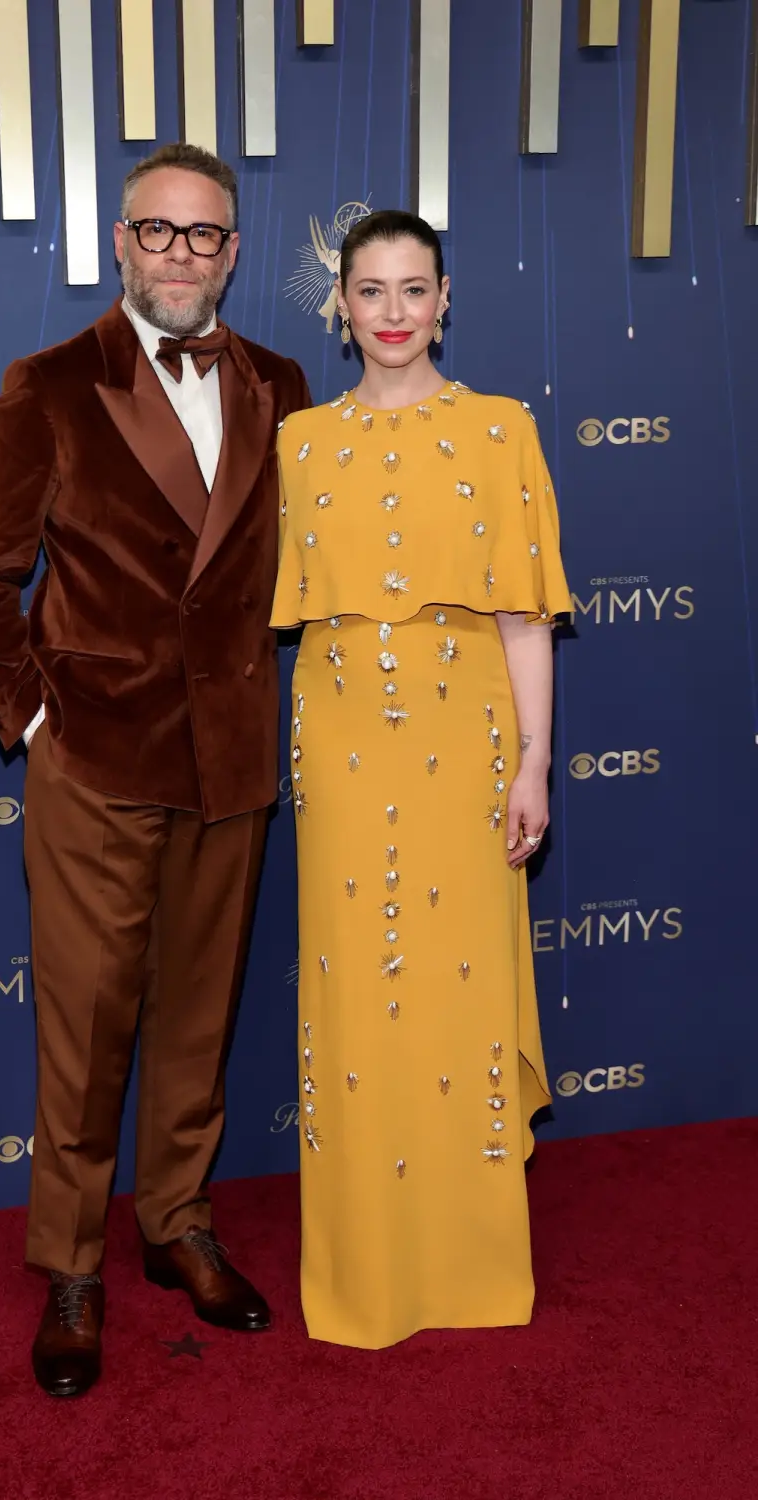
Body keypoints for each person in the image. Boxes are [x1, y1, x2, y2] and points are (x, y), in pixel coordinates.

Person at [0, 143, 311, 1397]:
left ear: (232, 253)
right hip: (97, 757)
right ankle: (72, 1267)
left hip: (232, 762)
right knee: (87, 1027)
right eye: (157, 233)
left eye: (204, 236)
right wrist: (38, 725)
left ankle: (178, 1223)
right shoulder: (49, 385)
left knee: (199, 1015)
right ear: (120, 242)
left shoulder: (279, 381)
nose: (180, 257)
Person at [271, 209, 571, 1350]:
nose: (393, 314)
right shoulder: (298, 442)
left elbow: (524, 618)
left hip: (468, 730)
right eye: (370, 291)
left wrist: (534, 759)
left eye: (413, 290)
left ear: (446, 300)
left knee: (457, 988)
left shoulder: (501, 434)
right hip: (341, 728)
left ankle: (470, 1266)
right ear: (338, 306)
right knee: (352, 998)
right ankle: (362, 1271)